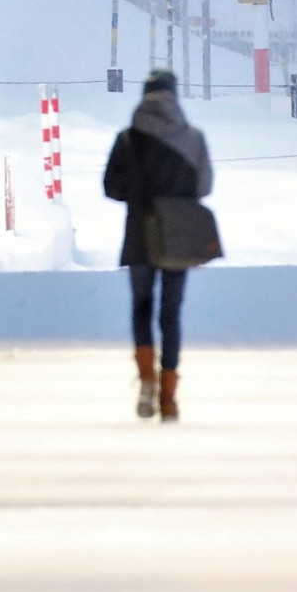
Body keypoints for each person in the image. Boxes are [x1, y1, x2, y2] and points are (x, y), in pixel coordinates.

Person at [103, 70, 213, 421]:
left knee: (141, 308)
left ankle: (147, 379)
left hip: (139, 233)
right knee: (171, 313)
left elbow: (111, 187)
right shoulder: (193, 138)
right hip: (178, 235)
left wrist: (140, 194)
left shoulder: (127, 140)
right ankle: (168, 396)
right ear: (175, 96)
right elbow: (203, 185)